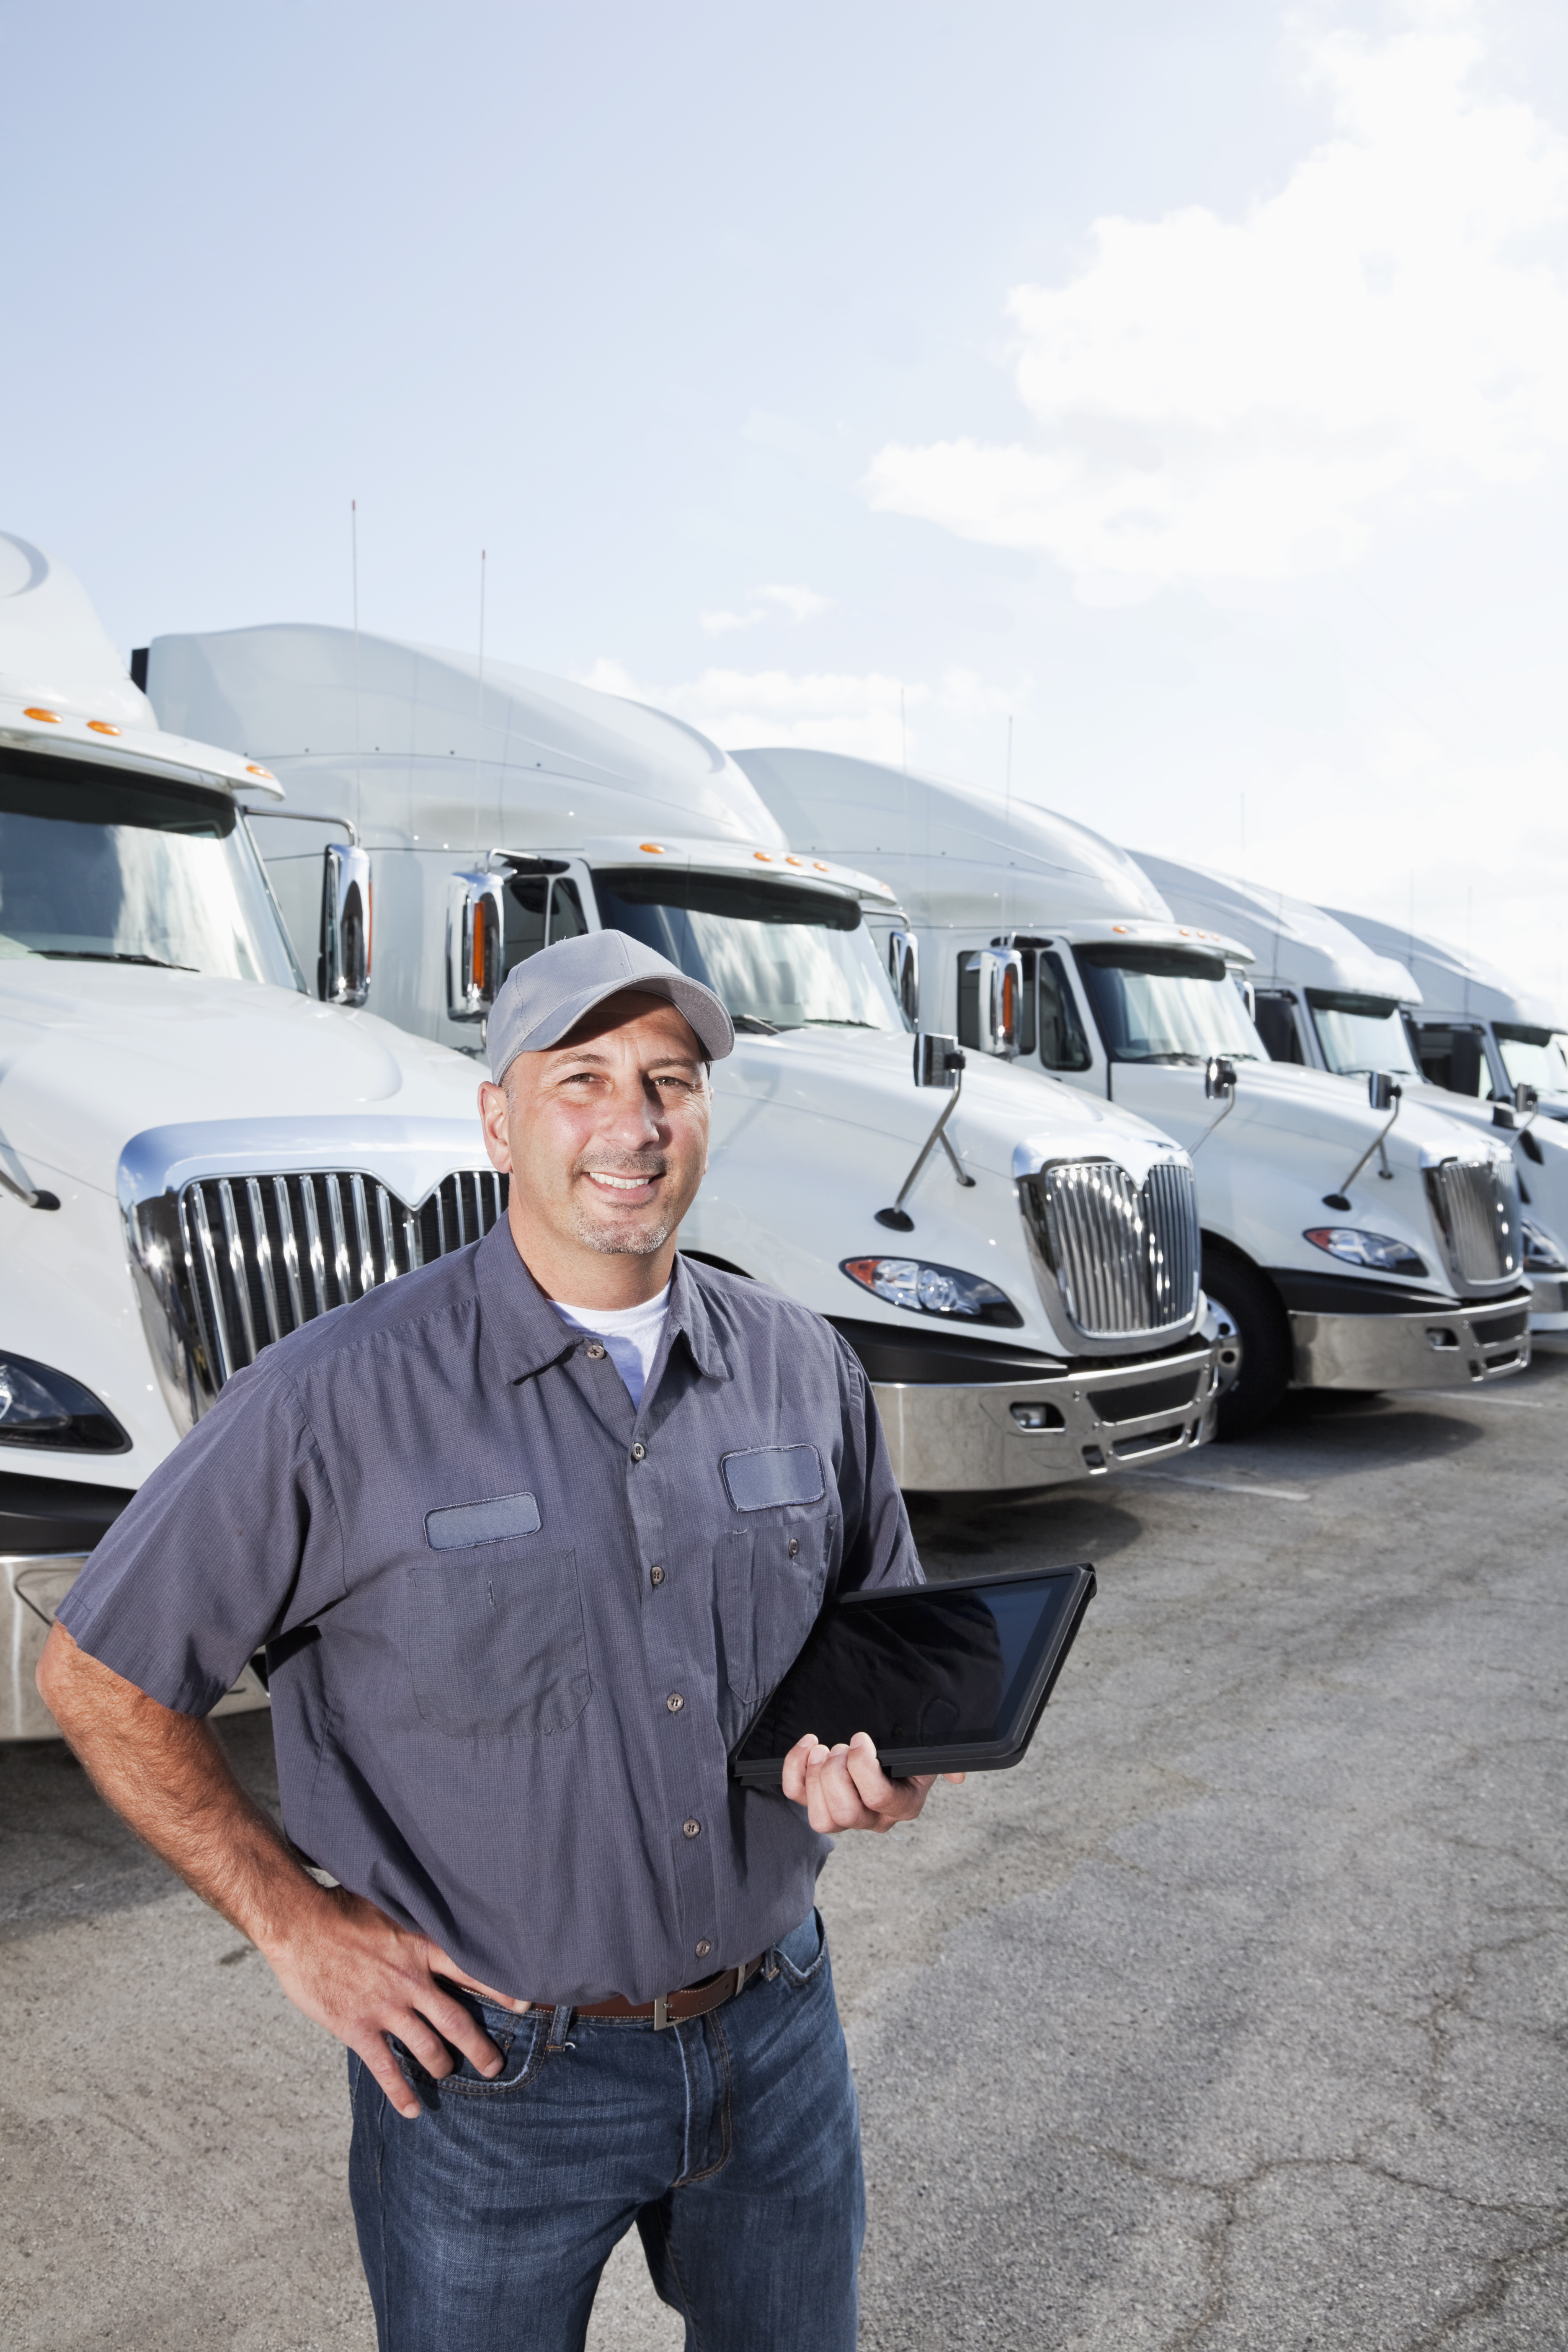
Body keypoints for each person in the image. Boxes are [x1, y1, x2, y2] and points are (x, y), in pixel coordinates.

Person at [38, 928, 960, 2352]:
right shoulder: (336, 1399)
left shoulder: (802, 1364)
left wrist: (886, 1769)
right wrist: (296, 1926)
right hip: (493, 2081)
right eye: (580, 1079)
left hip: (777, 2035)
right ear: (498, 1119)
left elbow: (878, 1659)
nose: (633, 1124)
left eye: (669, 1080)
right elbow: (98, 1674)